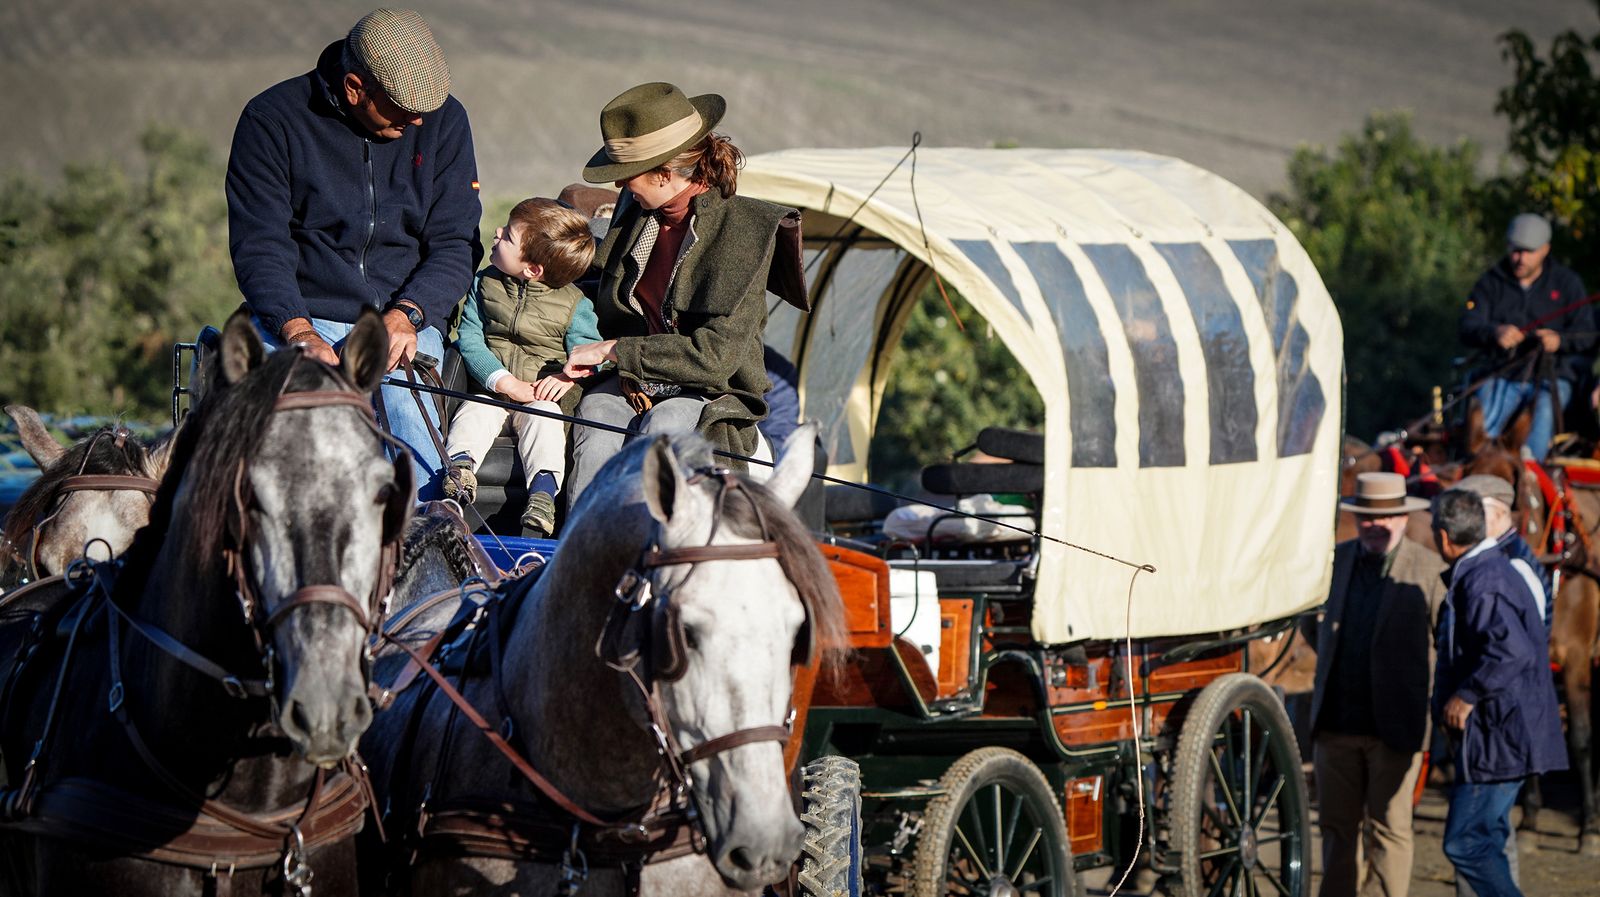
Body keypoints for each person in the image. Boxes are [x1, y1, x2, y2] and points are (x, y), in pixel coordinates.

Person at [225, 8, 482, 499]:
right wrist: (297, 330)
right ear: (354, 88)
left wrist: (409, 315)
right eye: (402, 107)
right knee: (277, 469)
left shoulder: (445, 121)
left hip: (405, 320)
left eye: (424, 107)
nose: (418, 119)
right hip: (302, 316)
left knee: (418, 473)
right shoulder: (272, 119)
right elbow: (261, 245)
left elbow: (455, 242)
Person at [563, 82, 808, 506]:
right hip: (631, 380)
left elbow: (714, 359)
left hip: (709, 390)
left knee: (667, 425)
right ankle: (579, 547)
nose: (619, 184)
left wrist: (616, 352)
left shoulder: (746, 232)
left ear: (665, 173)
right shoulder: (636, 212)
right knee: (596, 414)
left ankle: (650, 549)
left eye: (629, 174)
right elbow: (599, 295)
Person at [1306, 472, 1445, 897]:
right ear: (1357, 519)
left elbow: (1448, 641)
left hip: (1396, 729)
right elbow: (1312, 627)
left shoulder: (1431, 570)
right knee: (1336, 829)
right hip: (1336, 724)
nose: (1377, 526)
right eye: (1367, 517)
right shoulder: (1336, 561)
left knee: (1390, 830)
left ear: (1404, 518)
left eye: (1387, 518)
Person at [1430, 489, 1567, 897]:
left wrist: (1466, 695)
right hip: (1504, 733)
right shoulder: (1489, 571)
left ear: (1443, 538)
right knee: (1484, 838)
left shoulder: (1484, 580)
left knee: (1466, 842)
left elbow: (1512, 650)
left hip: (1499, 736)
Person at [441, 198, 598, 537]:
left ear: (532, 269)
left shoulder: (574, 306)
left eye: (508, 237)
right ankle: (460, 473)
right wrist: (502, 381)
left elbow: (590, 355)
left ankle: (542, 495)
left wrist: (566, 376)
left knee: (545, 419)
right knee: (475, 412)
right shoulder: (484, 284)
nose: (496, 234)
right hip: (493, 389)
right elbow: (469, 337)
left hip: (537, 396)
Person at [1459, 213, 1592, 462]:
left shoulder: (1567, 284)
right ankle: (1478, 465)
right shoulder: (1491, 283)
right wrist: (1494, 333)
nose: (1520, 259)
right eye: (1515, 251)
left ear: (1545, 250)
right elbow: (1468, 325)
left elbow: (1587, 333)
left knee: (1543, 413)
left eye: (1528, 252)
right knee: (1483, 420)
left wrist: (1559, 341)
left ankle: (1530, 469)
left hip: (1551, 379)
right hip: (1503, 374)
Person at [1455, 474, 1549, 623]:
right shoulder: (1503, 553)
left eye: (1475, 512)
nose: (1467, 520)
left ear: (1499, 514)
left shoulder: (1515, 563)